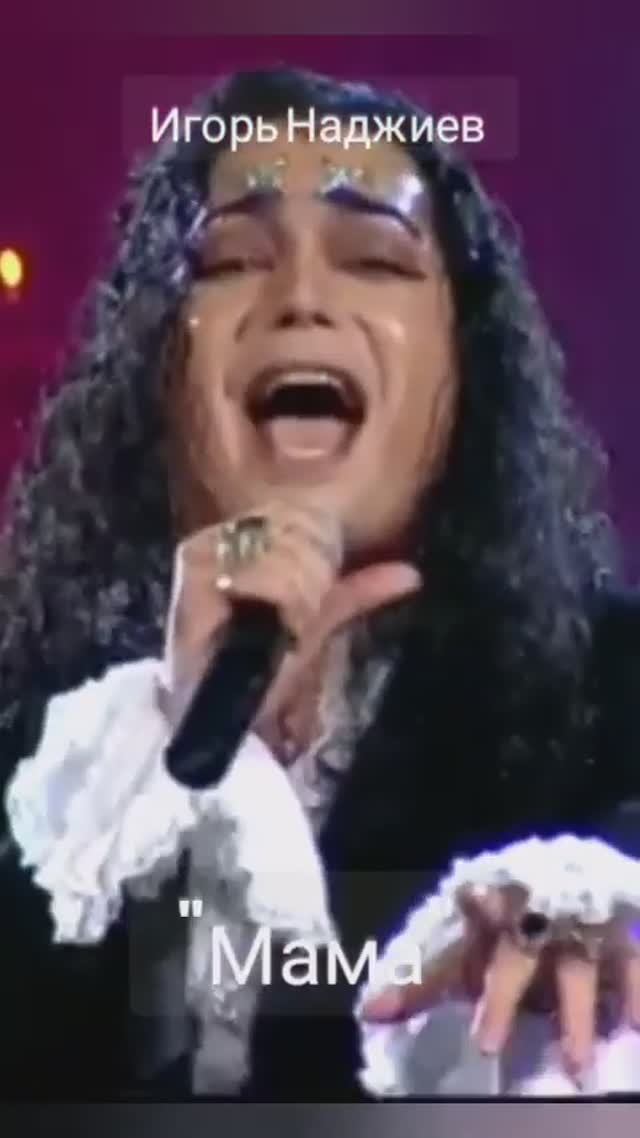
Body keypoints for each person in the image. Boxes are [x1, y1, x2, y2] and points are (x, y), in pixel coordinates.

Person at [1, 65, 640, 1102]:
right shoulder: (39, 754)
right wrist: (182, 775)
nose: (300, 299)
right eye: (233, 260)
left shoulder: (613, 696)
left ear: (463, 370)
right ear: (162, 369)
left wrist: (600, 911)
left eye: (375, 260)